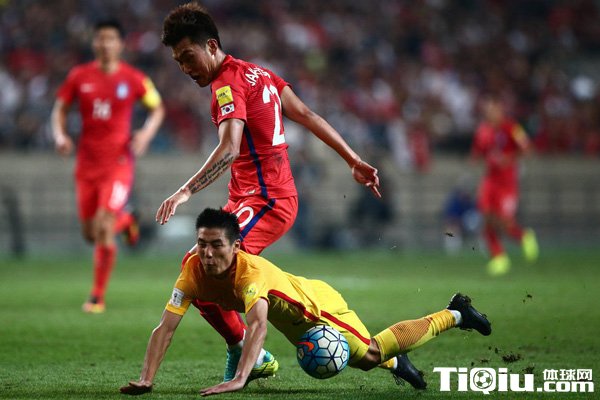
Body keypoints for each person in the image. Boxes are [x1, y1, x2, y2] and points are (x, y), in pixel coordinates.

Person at [154, 2, 381, 382]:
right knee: (196, 266)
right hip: (250, 197)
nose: (185, 68)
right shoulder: (259, 73)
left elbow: (229, 148)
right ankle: (246, 345)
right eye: (178, 61)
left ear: (211, 46)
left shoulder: (227, 84)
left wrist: (184, 192)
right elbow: (307, 115)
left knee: (204, 267)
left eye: (188, 56)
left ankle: (258, 343)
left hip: (267, 200)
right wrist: (352, 159)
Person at [120, 208, 491, 396]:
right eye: (202, 244)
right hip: (296, 321)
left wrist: (240, 378)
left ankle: (455, 313)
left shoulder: (250, 274)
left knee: (371, 354)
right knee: (361, 362)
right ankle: (398, 361)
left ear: (236, 246)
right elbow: (165, 327)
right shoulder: (191, 272)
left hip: (318, 309)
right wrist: (146, 379)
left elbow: (258, 326)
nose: (207, 253)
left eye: (217, 245)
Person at [51, 20, 165, 313]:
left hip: (119, 164)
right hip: (87, 164)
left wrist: (145, 134)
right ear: (94, 43)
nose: (105, 44)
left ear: (120, 44)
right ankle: (127, 222)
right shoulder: (79, 76)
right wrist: (60, 135)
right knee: (90, 234)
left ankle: (96, 297)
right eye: (100, 38)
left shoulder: (134, 78)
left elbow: (157, 108)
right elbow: (60, 109)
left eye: (111, 38)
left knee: (103, 227)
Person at [470, 94, 538, 275]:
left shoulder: (512, 127)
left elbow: (528, 149)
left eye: (494, 109)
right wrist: (474, 160)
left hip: (507, 182)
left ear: (501, 110)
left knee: (504, 221)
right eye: (488, 110)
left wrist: (510, 159)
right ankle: (499, 257)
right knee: (486, 217)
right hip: (489, 180)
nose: (491, 113)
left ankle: (524, 236)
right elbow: (477, 152)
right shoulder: (483, 130)